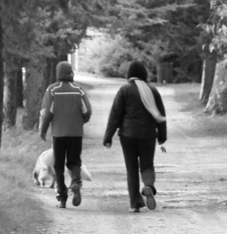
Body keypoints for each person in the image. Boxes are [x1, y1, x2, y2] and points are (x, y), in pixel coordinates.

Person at [103, 61, 167, 213]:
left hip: (127, 135)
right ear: (144, 74)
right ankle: (148, 186)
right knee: (147, 165)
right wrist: (162, 136)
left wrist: (108, 137)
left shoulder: (124, 90)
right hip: (148, 135)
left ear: (129, 75)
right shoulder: (152, 90)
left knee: (131, 169)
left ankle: (136, 203)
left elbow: (115, 115)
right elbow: (161, 114)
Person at [40, 60, 92, 209]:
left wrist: (43, 130)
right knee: (74, 161)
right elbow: (87, 111)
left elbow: (48, 113)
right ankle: (76, 181)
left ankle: (62, 198)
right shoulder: (79, 90)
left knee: (58, 166)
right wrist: (82, 121)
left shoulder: (52, 90)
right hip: (75, 132)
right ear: (71, 73)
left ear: (58, 74)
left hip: (58, 133)